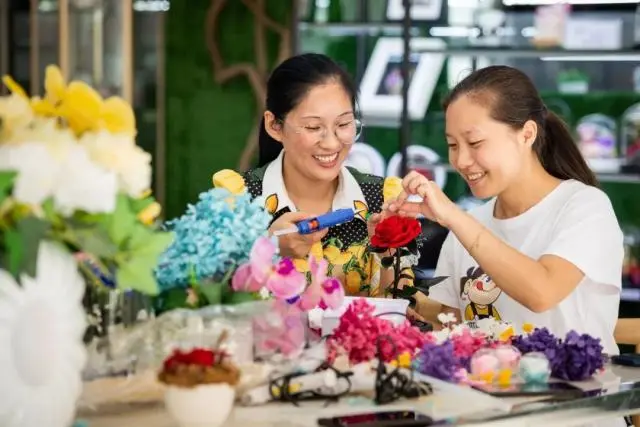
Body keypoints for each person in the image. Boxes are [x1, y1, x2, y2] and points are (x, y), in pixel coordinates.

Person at [386, 65, 624, 357]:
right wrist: (388, 255)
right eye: (452, 145)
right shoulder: (467, 225)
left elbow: (542, 292)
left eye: (475, 143)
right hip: (488, 397)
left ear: (526, 134)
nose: (461, 160)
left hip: (576, 398)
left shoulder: (585, 207)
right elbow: (452, 332)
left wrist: (452, 216)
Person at [213, 53, 409, 297]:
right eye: (313, 127)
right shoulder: (238, 199)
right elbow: (210, 298)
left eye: (343, 125)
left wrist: (387, 252)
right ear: (274, 125)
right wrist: (269, 248)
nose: (331, 143)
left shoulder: (382, 199)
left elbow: (403, 309)